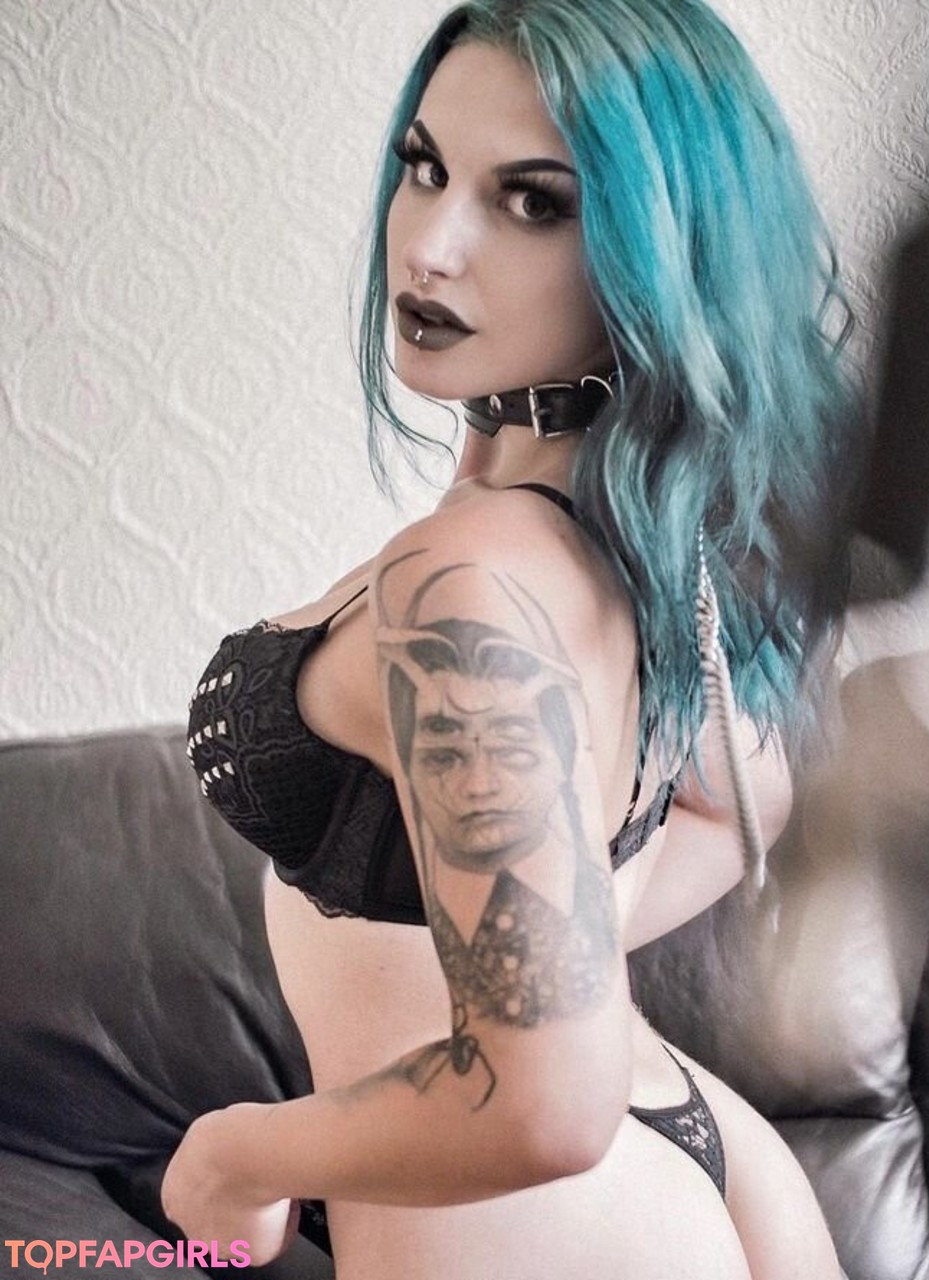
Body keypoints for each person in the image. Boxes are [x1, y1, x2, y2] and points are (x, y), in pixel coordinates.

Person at [166, 1, 853, 1275]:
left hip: (533, 1215)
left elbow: (542, 1103)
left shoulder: (471, 578)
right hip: (679, 1158)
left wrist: (236, 1154)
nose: (431, 245)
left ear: (660, 250)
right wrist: (560, 960)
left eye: (533, 202)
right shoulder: (620, 539)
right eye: (424, 167)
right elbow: (744, 796)